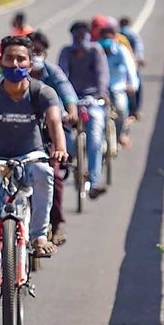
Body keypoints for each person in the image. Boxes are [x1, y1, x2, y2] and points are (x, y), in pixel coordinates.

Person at [0, 35, 68, 323]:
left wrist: (60, 148)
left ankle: (39, 235)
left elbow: (55, 123)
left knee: (45, 172)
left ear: (30, 63)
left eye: (21, 59)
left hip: (31, 157)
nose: (15, 64)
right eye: (9, 59)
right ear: (0, 61)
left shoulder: (42, 92)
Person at [27, 30, 78, 246]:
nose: (34, 55)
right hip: (22, 135)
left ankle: (57, 223)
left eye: (38, 51)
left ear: (45, 53)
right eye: (30, 51)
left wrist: (71, 111)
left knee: (53, 176)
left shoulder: (52, 74)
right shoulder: (14, 77)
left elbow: (67, 94)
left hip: (48, 135)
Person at [58, 21, 109, 199]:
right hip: (72, 99)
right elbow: (62, 77)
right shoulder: (66, 52)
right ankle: (69, 158)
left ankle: (94, 181)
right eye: (76, 33)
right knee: (63, 129)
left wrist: (101, 94)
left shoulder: (95, 51)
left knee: (95, 138)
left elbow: (102, 75)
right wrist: (65, 98)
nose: (80, 37)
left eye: (83, 33)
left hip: (92, 99)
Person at [99, 26, 139, 148]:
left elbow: (131, 69)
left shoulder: (121, 51)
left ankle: (120, 135)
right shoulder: (96, 51)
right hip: (100, 89)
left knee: (121, 109)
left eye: (109, 38)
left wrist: (133, 85)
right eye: (104, 38)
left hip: (117, 88)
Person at [119, 16, 146, 119]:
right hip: (131, 62)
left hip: (118, 63)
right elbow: (138, 48)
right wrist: (140, 59)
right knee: (136, 84)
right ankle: (135, 110)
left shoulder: (117, 33)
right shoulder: (132, 34)